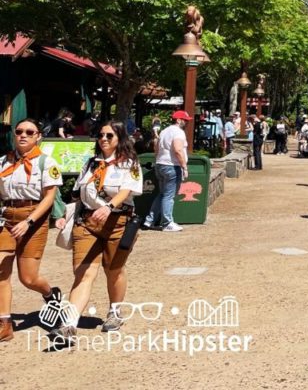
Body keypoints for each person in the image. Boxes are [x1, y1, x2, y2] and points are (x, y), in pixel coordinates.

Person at [51, 121, 144, 340]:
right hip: (87, 222)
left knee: (114, 270)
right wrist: (63, 215)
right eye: (100, 135)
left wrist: (109, 207)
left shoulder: (129, 164)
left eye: (109, 136)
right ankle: (69, 325)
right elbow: (77, 194)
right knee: (83, 272)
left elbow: (127, 190)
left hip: (118, 222)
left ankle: (114, 311)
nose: (103, 139)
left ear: (120, 139)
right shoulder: (91, 163)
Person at [0, 118, 62, 342]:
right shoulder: (3, 163)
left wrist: (28, 222)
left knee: (28, 278)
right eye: (19, 131)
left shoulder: (46, 162)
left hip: (33, 220)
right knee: (1, 269)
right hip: (7, 219)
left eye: (29, 132)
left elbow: (49, 198)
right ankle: (5, 324)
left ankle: (50, 294)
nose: (23, 135)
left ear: (38, 137)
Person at [144, 110, 190, 232]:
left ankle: (150, 220)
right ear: (179, 120)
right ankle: (167, 223)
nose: (186, 123)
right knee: (169, 196)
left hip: (160, 164)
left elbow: (156, 149)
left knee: (163, 194)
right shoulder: (178, 132)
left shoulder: (164, 131)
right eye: (185, 120)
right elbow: (178, 149)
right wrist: (184, 166)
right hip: (172, 166)